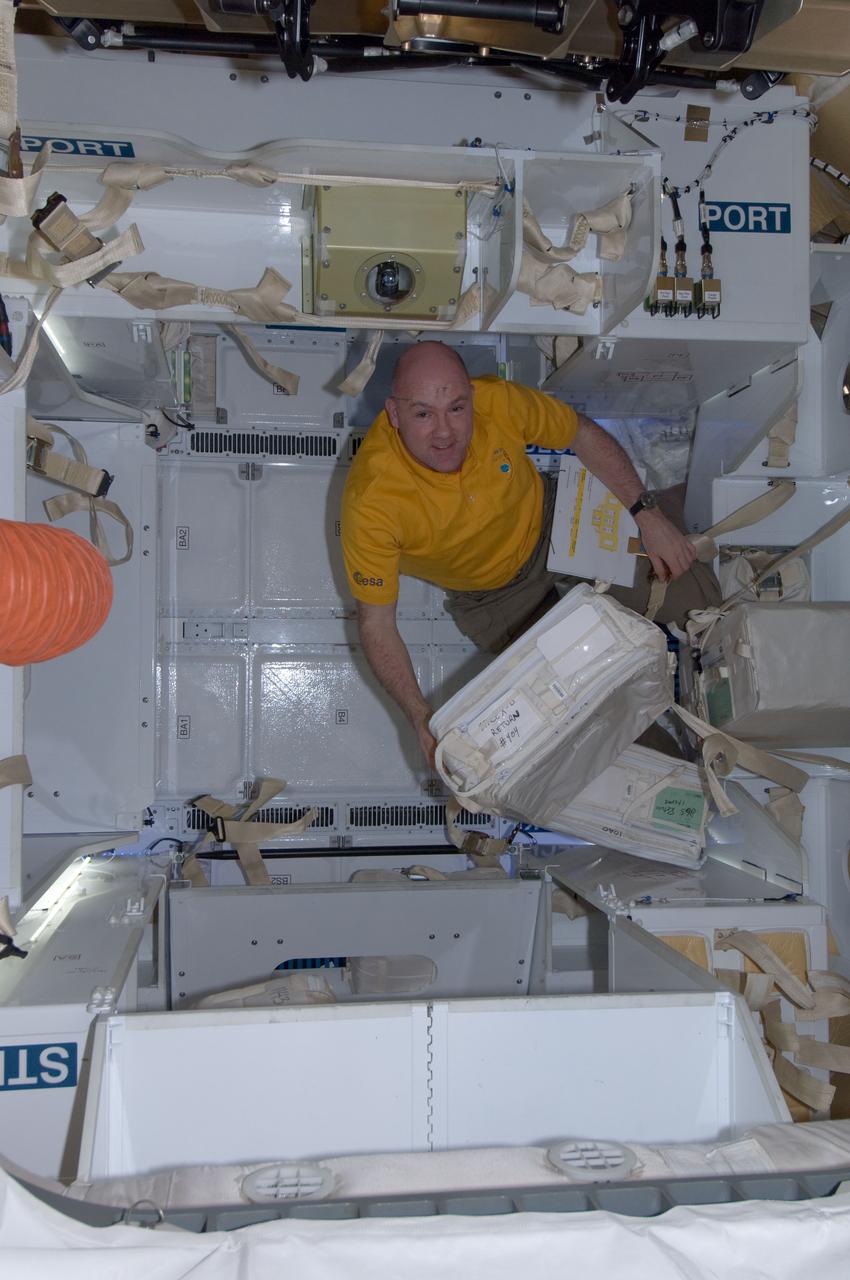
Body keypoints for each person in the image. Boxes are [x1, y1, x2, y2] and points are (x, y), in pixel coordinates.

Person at [341, 341, 719, 766]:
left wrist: (646, 514)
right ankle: (690, 777)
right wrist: (418, 716)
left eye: (457, 408)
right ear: (394, 413)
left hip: (555, 520)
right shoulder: (371, 500)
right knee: (584, 712)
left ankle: (735, 711)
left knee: (703, 603)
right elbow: (376, 622)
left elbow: (579, 431)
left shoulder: (498, 401)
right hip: (491, 595)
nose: (444, 431)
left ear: (472, 396)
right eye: (423, 413)